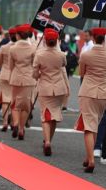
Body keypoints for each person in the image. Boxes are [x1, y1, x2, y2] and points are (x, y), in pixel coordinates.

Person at [74, 27, 106, 173]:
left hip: (88, 91)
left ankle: (91, 160)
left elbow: (81, 73)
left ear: (93, 38)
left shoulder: (86, 54)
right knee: (95, 123)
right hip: (103, 93)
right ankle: (89, 157)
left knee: (88, 126)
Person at [33, 28, 69, 156]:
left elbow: (35, 73)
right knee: (54, 116)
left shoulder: (39, 54)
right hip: (59, 88)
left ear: (45, 41)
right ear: (57, 41)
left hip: (45, 87)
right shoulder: (61, 55)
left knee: (45, 116)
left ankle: (47, 141)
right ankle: (49, 140)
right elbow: (64, 65)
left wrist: (38, 75)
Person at [9, 24, 36, 140]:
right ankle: (21, 128)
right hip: (28, 78)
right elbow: (35, 65)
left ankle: (15, 123)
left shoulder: (12, 48)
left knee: (15, 103)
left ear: (18, 35)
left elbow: (11, 66)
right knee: (26, 105)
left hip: (16, 77)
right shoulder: (33, 48)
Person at [0, 27, 17, 132]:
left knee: (5, 100)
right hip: (15, 74)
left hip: (4, 73)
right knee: (14, 100)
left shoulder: (4, 47)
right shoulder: (19, 48)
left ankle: (5, 122)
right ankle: (13, 122)